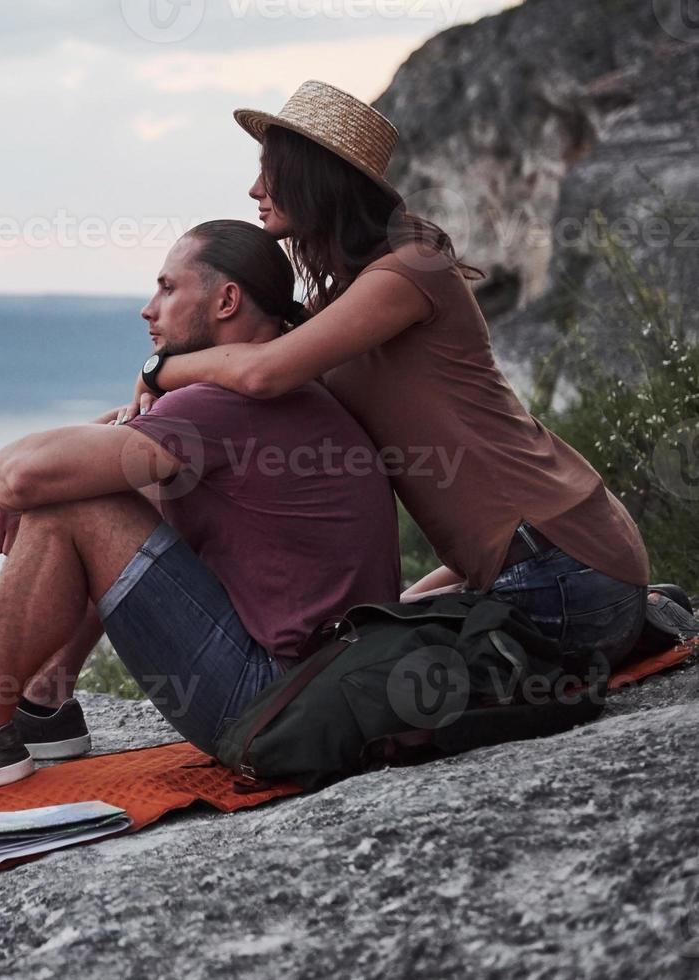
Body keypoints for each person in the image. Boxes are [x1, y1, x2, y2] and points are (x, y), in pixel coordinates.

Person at [119, 80, 650, 670]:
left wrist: (158, 369)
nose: (255, 189)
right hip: (542, 561)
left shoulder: (407, 273)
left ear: (313, 176)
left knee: (361, 684)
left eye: (269, 170)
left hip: (565, 571)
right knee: (368, 639)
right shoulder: (350, 297)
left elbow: (263, 372)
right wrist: (117, 426)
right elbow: (238, 371)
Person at [0, 219, 399, 792]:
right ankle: (44, 702)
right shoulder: (264, 394)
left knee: (72, 506)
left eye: (169, 289)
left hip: (273, 705)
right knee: (101, 485)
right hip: (323, 693)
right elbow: (105, 454)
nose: (149, 309)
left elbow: (24, 477)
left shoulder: (224, 403)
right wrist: (65, 461)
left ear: (226, 300)